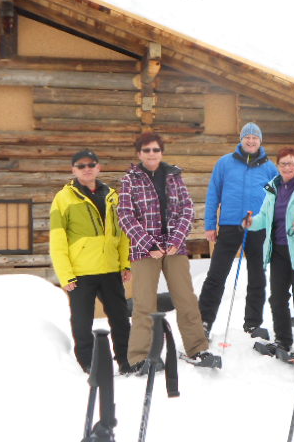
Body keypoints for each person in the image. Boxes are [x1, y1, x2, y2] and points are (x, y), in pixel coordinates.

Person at [118, 132, 215, 373]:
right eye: (146, 150)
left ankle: (197, 348)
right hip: (144, 251)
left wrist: (176, 239)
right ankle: (140, 356)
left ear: (162, 152)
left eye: (155, 150)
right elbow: (125, 215)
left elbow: (187, 209)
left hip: (174, 248)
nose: (152, 154)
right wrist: (147, 244)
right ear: (139, 153)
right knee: (144, 303)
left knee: (186, 298)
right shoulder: (130, 180)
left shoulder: (174, 176)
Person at [49, 149, 132, 374]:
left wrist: (125, 263)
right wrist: (65, 275)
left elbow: (122, 234)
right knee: (82, 321)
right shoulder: (63, 198)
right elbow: (57, 240)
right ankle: (88, 363)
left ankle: (126, 360)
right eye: (81, 165)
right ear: (73, 170)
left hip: (110, 268)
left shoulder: (112, 196)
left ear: (98, 167)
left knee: (120, 318)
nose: (87, 169)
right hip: (81, 272)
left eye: (91, 164)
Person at [198, 122, 278, 338]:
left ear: (260, 141)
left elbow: (277, 200)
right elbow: (213, 194)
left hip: (257, 228)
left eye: (255, 137)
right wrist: (209, 225)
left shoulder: (270, 168)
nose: (251, 141)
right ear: (241, 140)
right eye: (247, 137)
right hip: (230, 225)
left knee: (257, 277)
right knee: (216, 275)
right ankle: (203, 322)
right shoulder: (225, 163)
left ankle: (252, 323)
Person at [243, 147, 294, 358]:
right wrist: (250, 222)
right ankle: (283, 341)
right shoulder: (273, 188)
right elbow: (264, 217)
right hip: (278, 251)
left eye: (291, 163)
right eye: (283, 164)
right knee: (278, 299)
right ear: (278, 166)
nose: (287, 167)